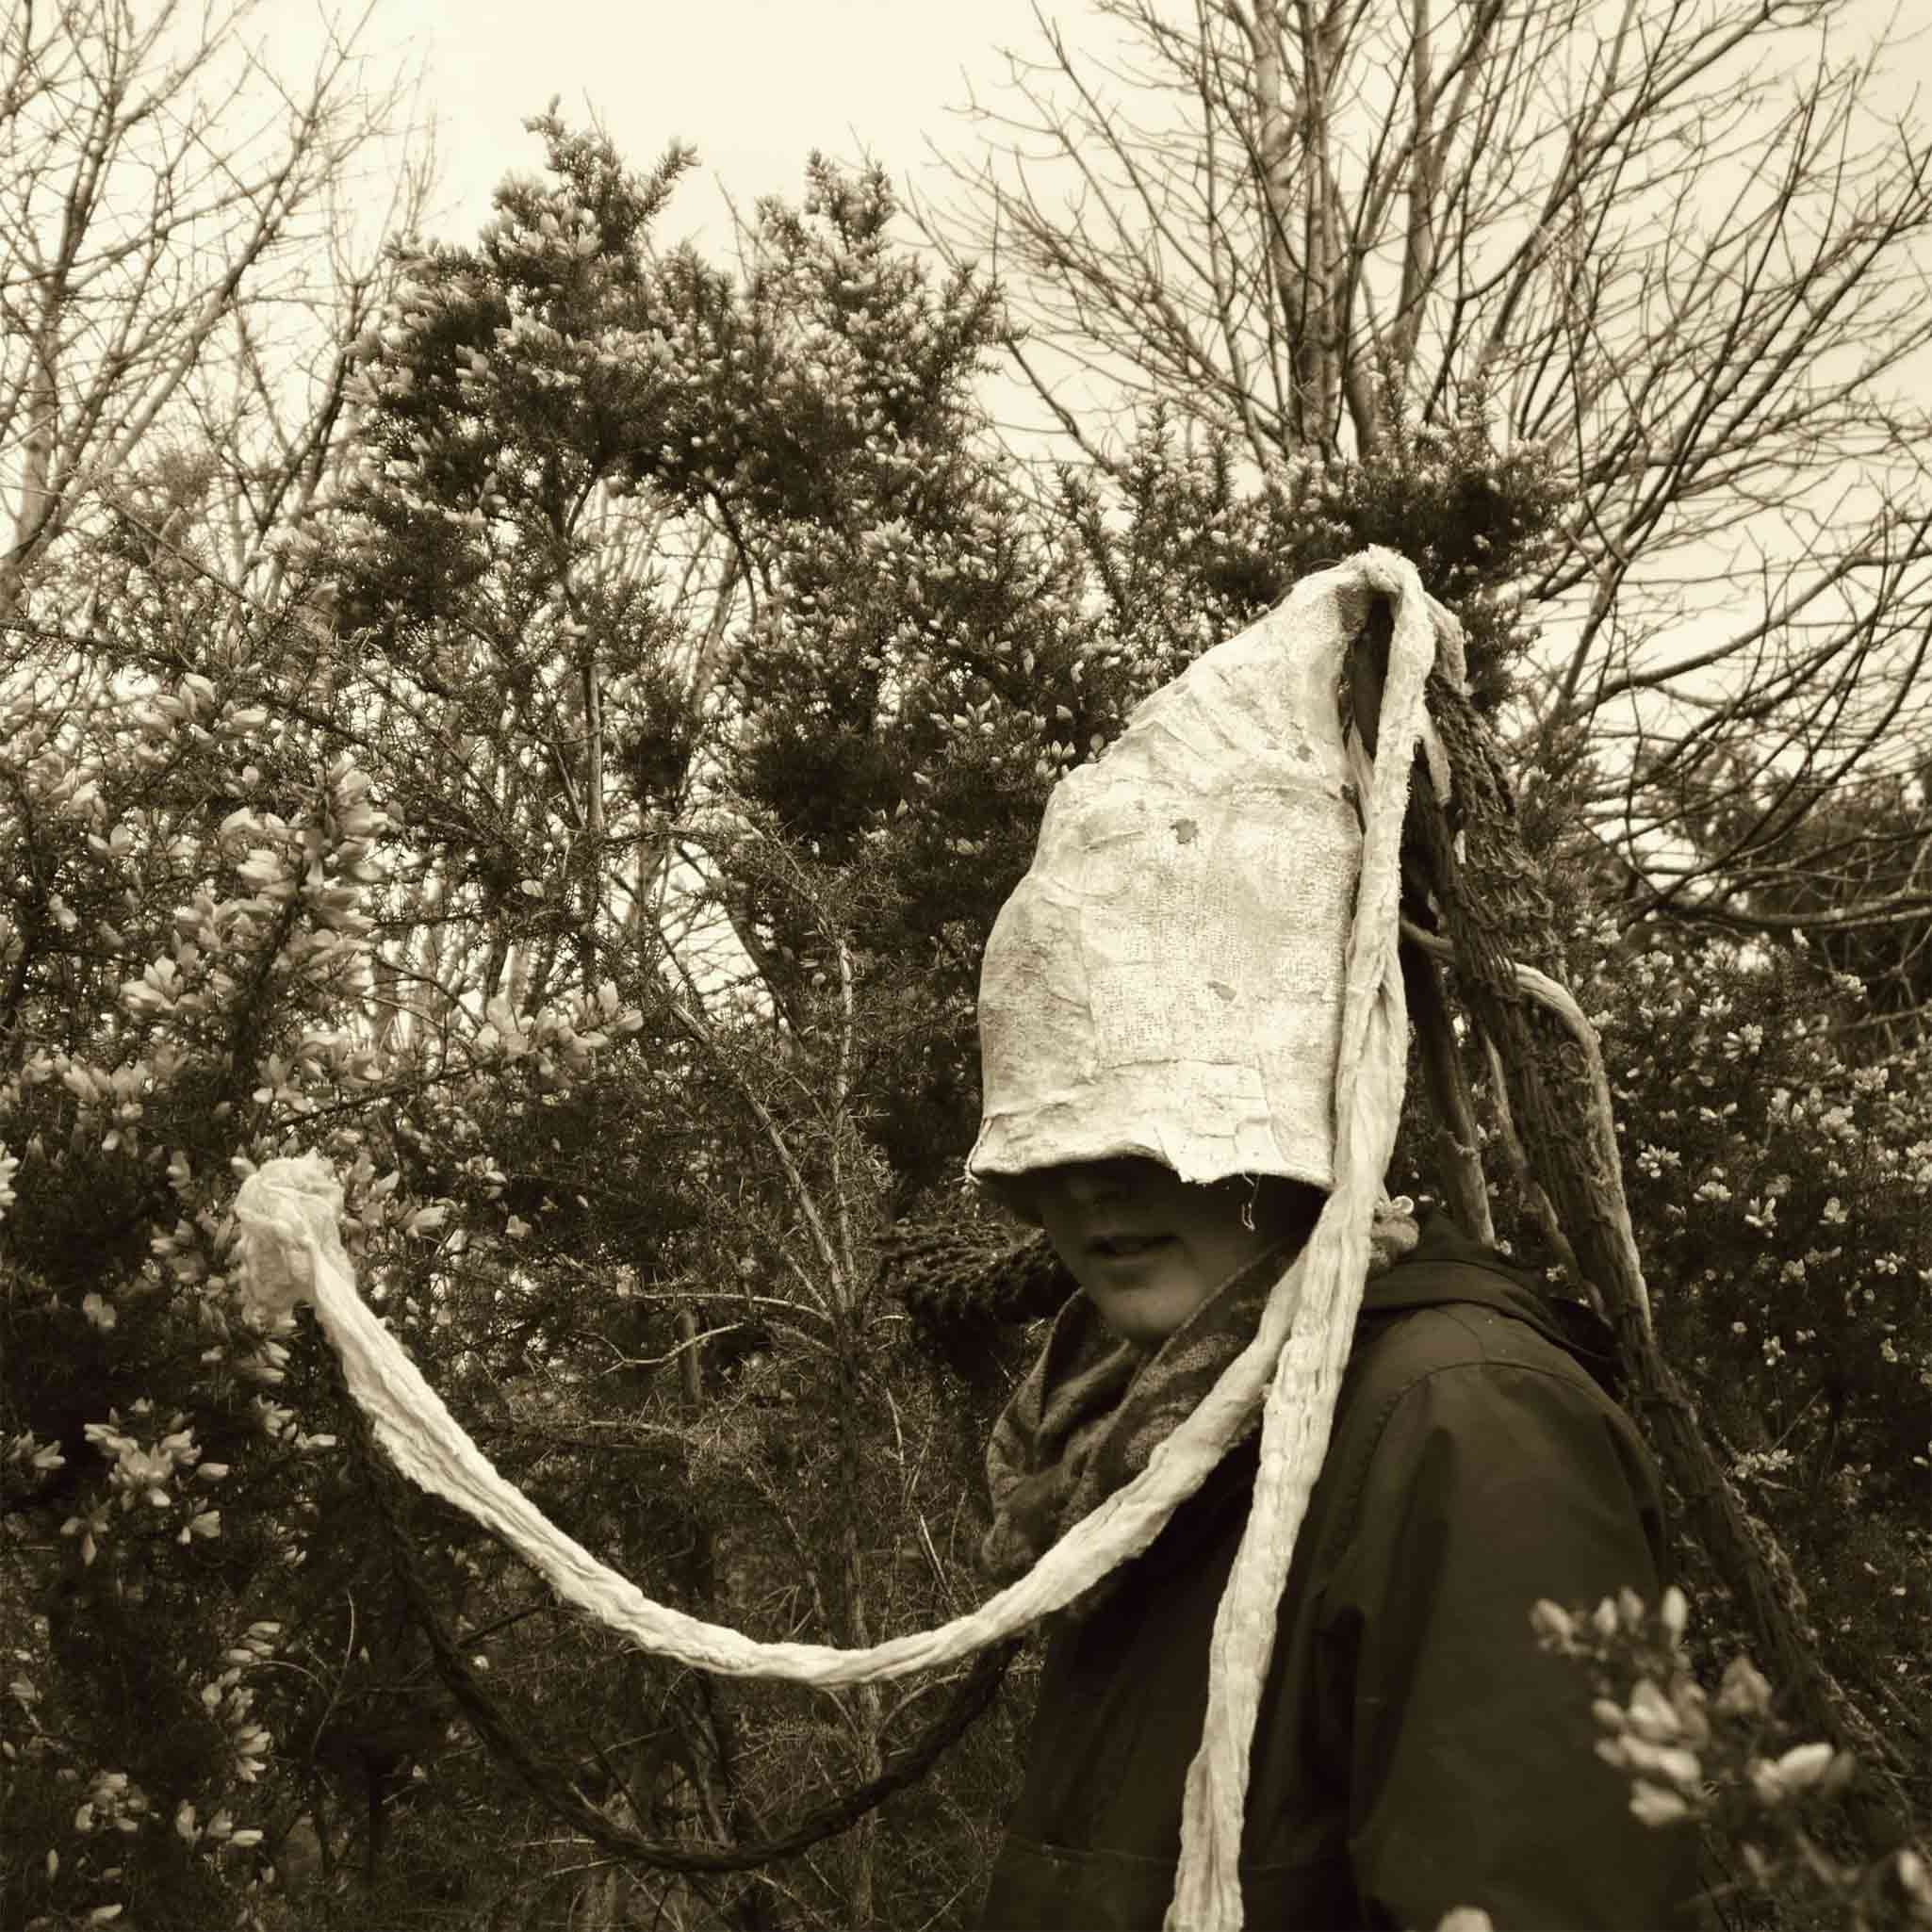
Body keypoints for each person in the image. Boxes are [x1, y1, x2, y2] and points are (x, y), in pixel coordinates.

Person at [961, 556, 1699, 1930]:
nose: (1097, 1196)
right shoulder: (1138, 1438)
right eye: (1059, 1149)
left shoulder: (1459, 1426)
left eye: (1164, 1132)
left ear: (1305, 1120)